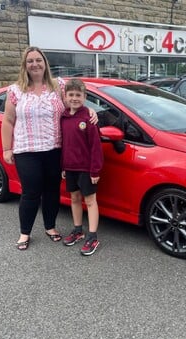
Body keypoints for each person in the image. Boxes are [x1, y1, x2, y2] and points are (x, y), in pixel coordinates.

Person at [1, 46, 97, 251]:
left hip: (54, 148)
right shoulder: (15, 90)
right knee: (31, 192)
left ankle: (50, 227)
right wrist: (6, 149)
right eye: (30, 61)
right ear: (24, 65)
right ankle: (24, 232)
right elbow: (8, 120)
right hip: (26, 150)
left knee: (52, 190)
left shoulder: (58, 86)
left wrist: (91, 112)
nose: (35, 64)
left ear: (45, 63)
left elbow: (75, 104)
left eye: (38, 60)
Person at [61, 79, 104, 256]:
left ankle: (93, 236)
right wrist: (63, 166)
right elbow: (64, 144)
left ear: (85, 97)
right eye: (71, 95)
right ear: (65, 96)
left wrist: (95, 170)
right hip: (70, 168)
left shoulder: (89, 118)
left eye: (78, 95)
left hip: (86, 169)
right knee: (74, 199)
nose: (74, 98)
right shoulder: (63, 117)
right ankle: (78, 230)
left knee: (91, 201)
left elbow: (96, 147)